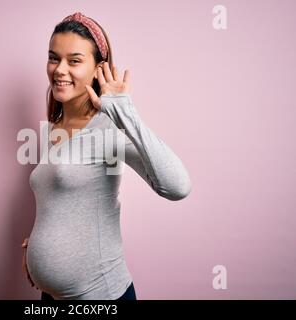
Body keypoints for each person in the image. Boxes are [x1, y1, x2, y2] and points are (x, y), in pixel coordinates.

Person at [21, 12, 192, 300]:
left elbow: (177, 187)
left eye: (74, 60)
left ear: (98, 68)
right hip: (52, 298)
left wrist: (125, 111)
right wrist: (37, 247)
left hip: (100, 296)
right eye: (54, 58)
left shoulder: (108, 127)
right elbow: (62, 202)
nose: (59, 69)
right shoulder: (54, 127)